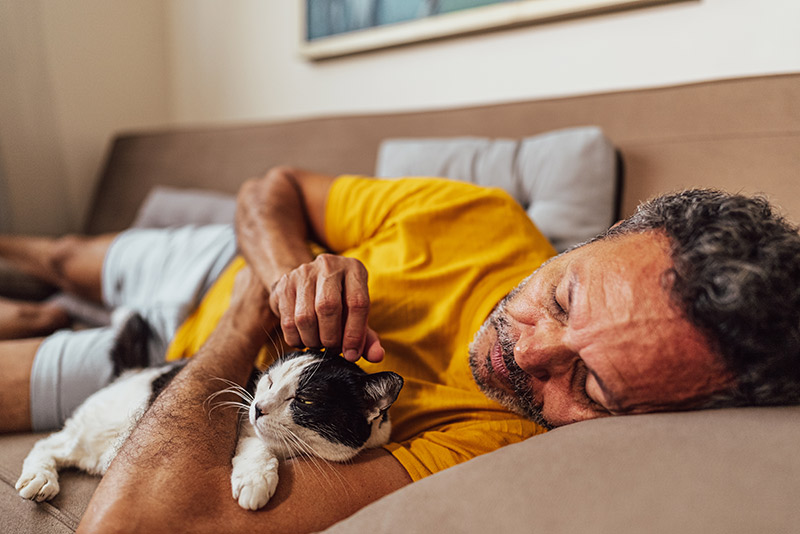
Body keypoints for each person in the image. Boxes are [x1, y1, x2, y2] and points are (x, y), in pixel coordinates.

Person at [0, 168, 798, 534]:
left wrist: (248, 325)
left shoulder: (494, 440)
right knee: (65, 254)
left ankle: (40, 320)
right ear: (591, 240)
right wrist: (283, 272)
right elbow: (268, 190)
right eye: (561, 298)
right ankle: (35, 282)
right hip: (219, 261)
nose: (530, 353)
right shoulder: (481, 218)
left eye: (590, 385)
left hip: (166, 382)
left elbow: (138, 528)